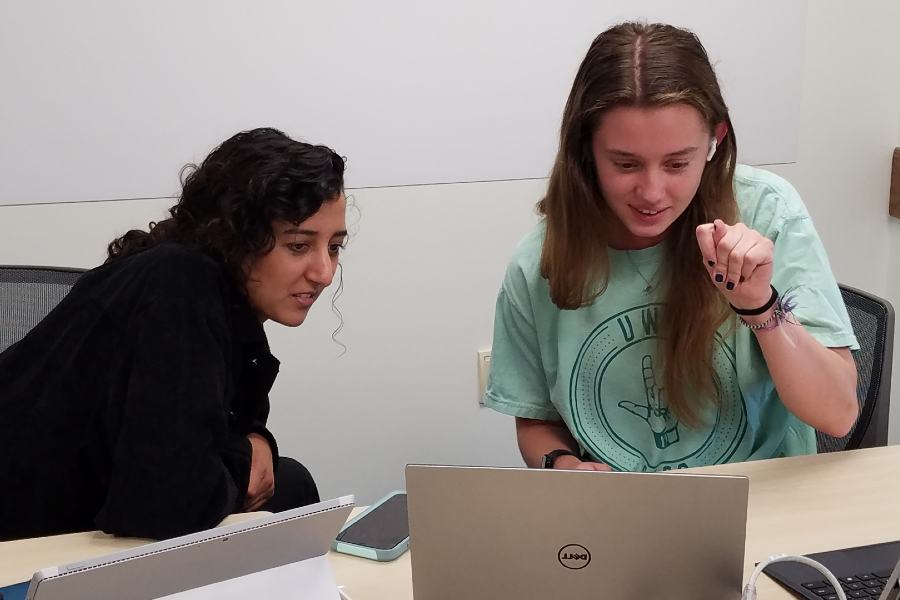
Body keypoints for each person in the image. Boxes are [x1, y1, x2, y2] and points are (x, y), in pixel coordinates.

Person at [484, 22, 859, 473]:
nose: (653, 192)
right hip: (621, 511)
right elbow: (535, 420)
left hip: (759, 499)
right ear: (586, 149)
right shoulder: (539, 262)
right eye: (626, 164)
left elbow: (837, 415)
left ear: (714, 140)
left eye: (678, 163)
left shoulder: (767, 212)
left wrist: (760, 306)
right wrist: (563, 464)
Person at [0, 128, 346, 540]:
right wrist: (244, 453)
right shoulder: (181, 285)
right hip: (26, 550)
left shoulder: (220, 300)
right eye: (298, 246)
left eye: (334, 247)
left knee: (291, 483)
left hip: (84, 513)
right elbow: (165, 501)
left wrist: (258, 440)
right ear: (237, 235)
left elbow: (218, 425)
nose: (324, 273)